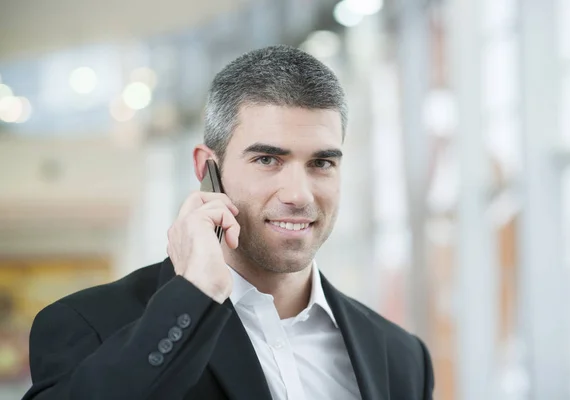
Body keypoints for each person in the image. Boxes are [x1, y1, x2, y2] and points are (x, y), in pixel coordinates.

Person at [23, 45, 434, 400]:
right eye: (267, 160)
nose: (299, 194)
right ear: (207, 169)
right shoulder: (91, 325)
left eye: (321, 163)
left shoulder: (401, 357)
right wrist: (195, 294)